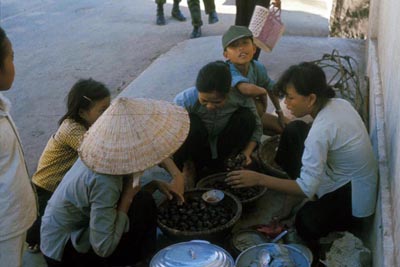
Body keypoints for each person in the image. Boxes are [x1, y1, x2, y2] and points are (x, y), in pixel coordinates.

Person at [226, 62, 378, 261]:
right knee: (294, 130)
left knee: (304, 223)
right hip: (341, 175)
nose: (286, 103)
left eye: (291, 98)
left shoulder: (321, 130)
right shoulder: (339, 104)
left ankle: (316, 214)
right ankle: (293, 202)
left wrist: (258, 179)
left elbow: (306, 188)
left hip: (355, 201)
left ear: (311, 98)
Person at [40, 97, 189, 267]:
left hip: (84, 225)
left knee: (142, 201)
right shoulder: (105, 180)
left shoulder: (105, 154)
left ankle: (144, 257)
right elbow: (103, 247)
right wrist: (127, 198)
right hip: (63, 251)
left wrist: (155, 184)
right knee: (139, 204)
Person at [25, 79, 111, 253]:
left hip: (61, 183)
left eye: (109, 108)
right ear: (82, 112)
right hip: (46, 185)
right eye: (103, 110)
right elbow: (97, 155)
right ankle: (32, 240)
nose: (109, 114)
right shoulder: (71, 130)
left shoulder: (92, 125)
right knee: (45, 224)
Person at [173, 60, 263, 188]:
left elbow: (257, 127)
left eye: (217, 102)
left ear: (228, 93)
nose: (209, 106)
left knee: (246, 117)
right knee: (190, 123)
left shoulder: (240, 97)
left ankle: (229, 160)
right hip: (197, 149)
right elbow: (170, 135)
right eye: (204, 100)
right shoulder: (184, 100)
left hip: (223, 145)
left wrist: (247, 152)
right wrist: (176, 171)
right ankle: (188, 167)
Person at [0, 26, 37, 267]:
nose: (14, 64)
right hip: (5, 226)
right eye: (11, 57)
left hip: (14, 219)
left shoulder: (2, 105)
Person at [222, 25, 288, 135]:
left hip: (252, 113)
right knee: (255, 109)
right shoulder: (226, 70)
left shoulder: (257, 67)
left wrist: (280, 113)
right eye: (234, 46)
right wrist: (263, 92)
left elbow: (271, 88)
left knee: (286, 126)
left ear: (254, 48)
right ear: (226, 55)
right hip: (230, 118)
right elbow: (246, 89)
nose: (241, 48)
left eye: (245, 43)